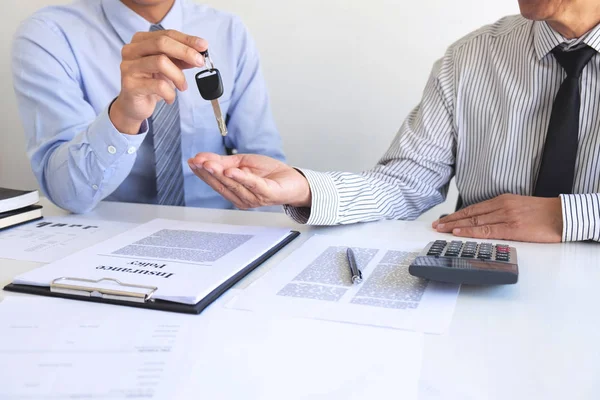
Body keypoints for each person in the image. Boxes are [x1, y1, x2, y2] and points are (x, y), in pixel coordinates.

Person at [189, 0, 600, 244]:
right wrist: (304, 187)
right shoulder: (471, 57)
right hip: (481, 282)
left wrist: (567, 216)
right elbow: (407, 184)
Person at [12, 0, 285, 213]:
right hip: (106, 236)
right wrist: (124, 117)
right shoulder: (49, 35)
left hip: (224, 227)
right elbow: (67, 194)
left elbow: (268, 166)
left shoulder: (228, 30)